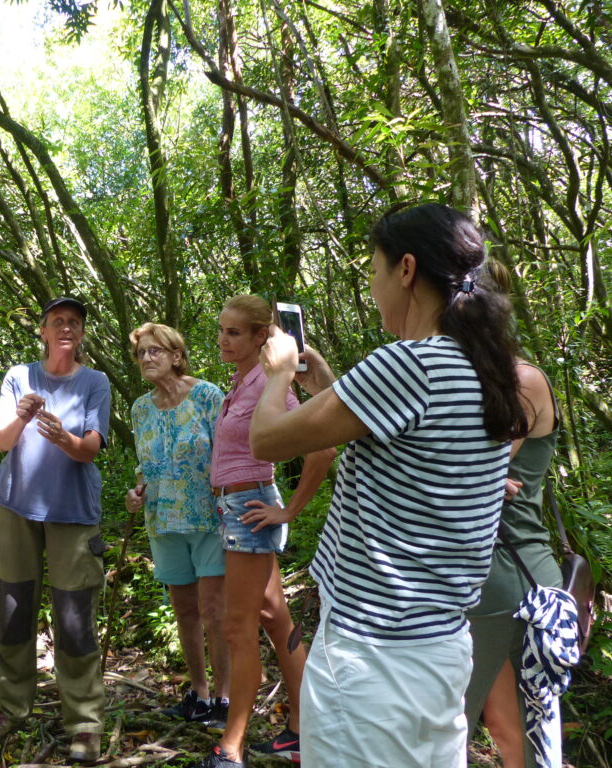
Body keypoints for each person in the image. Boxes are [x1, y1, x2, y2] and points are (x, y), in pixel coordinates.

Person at [249, 203, 527, 768]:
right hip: (438, 650)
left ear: (406, 269)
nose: (374, 288)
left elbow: (267, 441)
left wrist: (278, 371)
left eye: (374, 272)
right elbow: (403, 454)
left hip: (371, 659)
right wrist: (325, 382)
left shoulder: (409, 365)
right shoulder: (484, 368)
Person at [197, 295, 335, 768]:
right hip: (233, 508)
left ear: (263, 337)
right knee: (275, 617)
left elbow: (322, 448)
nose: (222, 340)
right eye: (221, 330)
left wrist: (289, 510)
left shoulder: (270, 386)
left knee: (238, 627)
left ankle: (231, 748)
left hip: (249, 509)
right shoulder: (245, 383)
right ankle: (302, 728)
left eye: (234, 332)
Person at [0, 296, 111, 762]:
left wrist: (66, 439)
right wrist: (22, 415)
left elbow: (90, 449)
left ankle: (85, 722)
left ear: (82, 333)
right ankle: (10, 707)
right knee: (13, 609)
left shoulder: (95, 382)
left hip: (73, 511)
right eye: (58, 322)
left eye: (74, 322)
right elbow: (0, 442)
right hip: (17, 506)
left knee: (75, 618)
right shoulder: (19, 376)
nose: (66, 328)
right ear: (43, 330)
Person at [464, 270, 563, 768]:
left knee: (448, 723)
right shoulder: (473, 381)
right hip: (479, 574)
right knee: (505, 727)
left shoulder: (520, 380)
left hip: (510, 573)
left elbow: (478, 475)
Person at [124, 323, 229, 726]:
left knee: (214, 611)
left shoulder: (206, 396)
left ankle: (224, 699)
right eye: (141, 354)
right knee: (185, 610)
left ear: (176, 356)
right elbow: (144, 466)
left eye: (156, 351)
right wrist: (135, 494)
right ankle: (198, 693)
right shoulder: (140, 408)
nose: (148, 358)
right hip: (163, 522)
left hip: (208, 518)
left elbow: (227, 453)